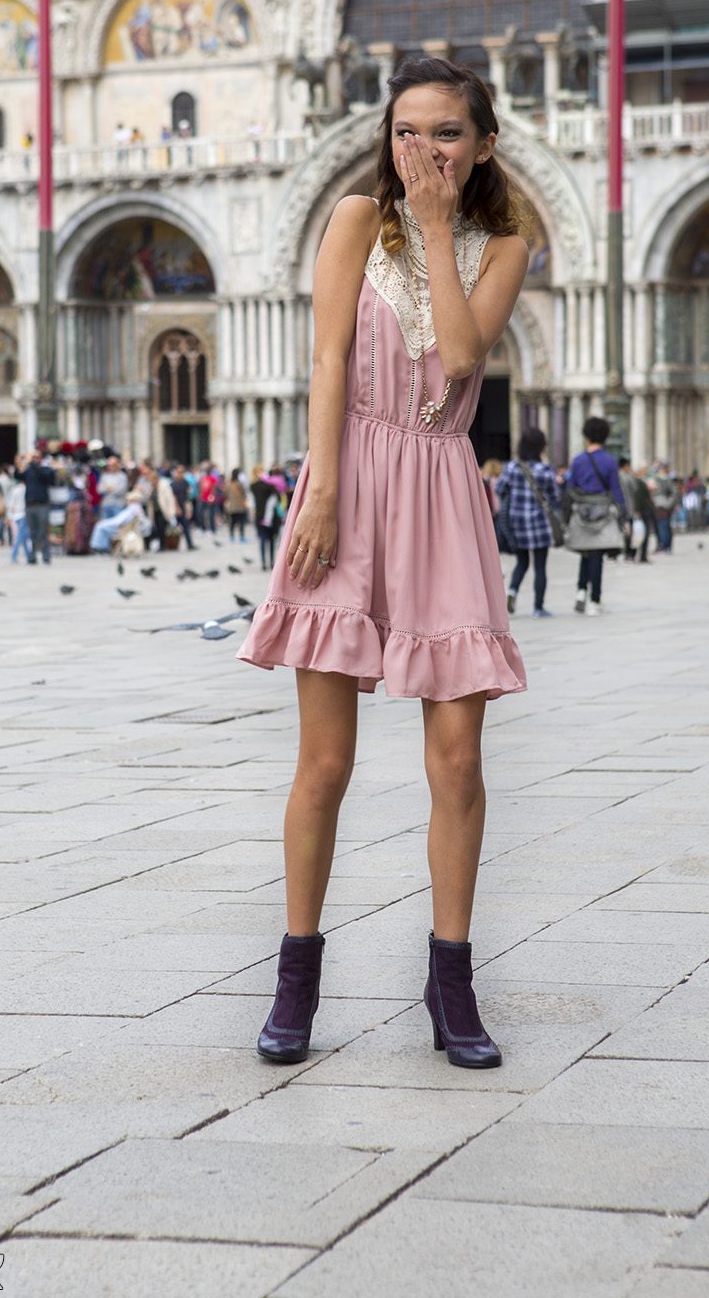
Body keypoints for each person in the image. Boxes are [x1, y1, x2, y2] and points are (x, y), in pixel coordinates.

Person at [239, 57, 529, 1069]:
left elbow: (457, 359)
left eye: (445, 132)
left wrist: (442, 229)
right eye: (406, 132)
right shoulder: (354, 218)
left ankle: (449, 979)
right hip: (348, 484)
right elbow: (325, 361)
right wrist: (318, 491)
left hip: (442, 492)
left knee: (457, 759)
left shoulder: (504, 243)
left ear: (482, 142)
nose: (422, 151)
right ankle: (295, 978)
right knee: (324, 760)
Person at [565, 417, 626, 616]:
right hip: (602, 513)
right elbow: (616, 491)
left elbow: (570, 488)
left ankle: (581, 593)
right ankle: (595, 599)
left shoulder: (578, 460)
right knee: (597, 555)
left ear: (586, 436)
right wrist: (623, 516)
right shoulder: (609, 461)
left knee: (585, 553)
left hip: (582, 511)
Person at [495, 427, 559, 617]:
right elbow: (555, 495)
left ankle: (512, 591)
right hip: (539, 524)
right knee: (540, 566)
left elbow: (499, 489)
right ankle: (538, 608)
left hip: (517, 523)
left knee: (521, 563)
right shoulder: (545, 470)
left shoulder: (512, 467)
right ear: (541, 447)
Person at [19, 449, 53, 563]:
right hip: (30, 505)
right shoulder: (28, 471)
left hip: (42, 505)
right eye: (33, 457)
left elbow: (47, 478)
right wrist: (20, 462)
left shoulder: (45, 470)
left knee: (43, 532)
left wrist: (33, 465)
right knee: (32, 533)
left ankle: (46, 556)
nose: (34, 460)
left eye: (37, 457)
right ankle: (32, 556)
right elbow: (18, 476)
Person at [618, 455, 654, 563]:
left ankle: (626, 553)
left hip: (619, 508)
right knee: (632, 532)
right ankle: (632, 553)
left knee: (625, 532)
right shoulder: (630, 478)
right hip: (630, 509)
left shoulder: (616, 477)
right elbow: (635, 492)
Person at [250, 463, 282, 570]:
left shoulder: (253, 486)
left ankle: (264, 563)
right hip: (271, 517)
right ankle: (272, 562)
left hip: (260, 516)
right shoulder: (268, 486)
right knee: (271, 541)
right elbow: (277, 493)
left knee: (263, 541)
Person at [225, 468, 249, 540]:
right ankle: (241, 537)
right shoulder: (239, 483)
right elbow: (244, 492)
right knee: (241, 522)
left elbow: (226, 494)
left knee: (232, 522)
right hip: (240, 506)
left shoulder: (229, 484)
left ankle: (232, 536)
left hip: (232, 506)